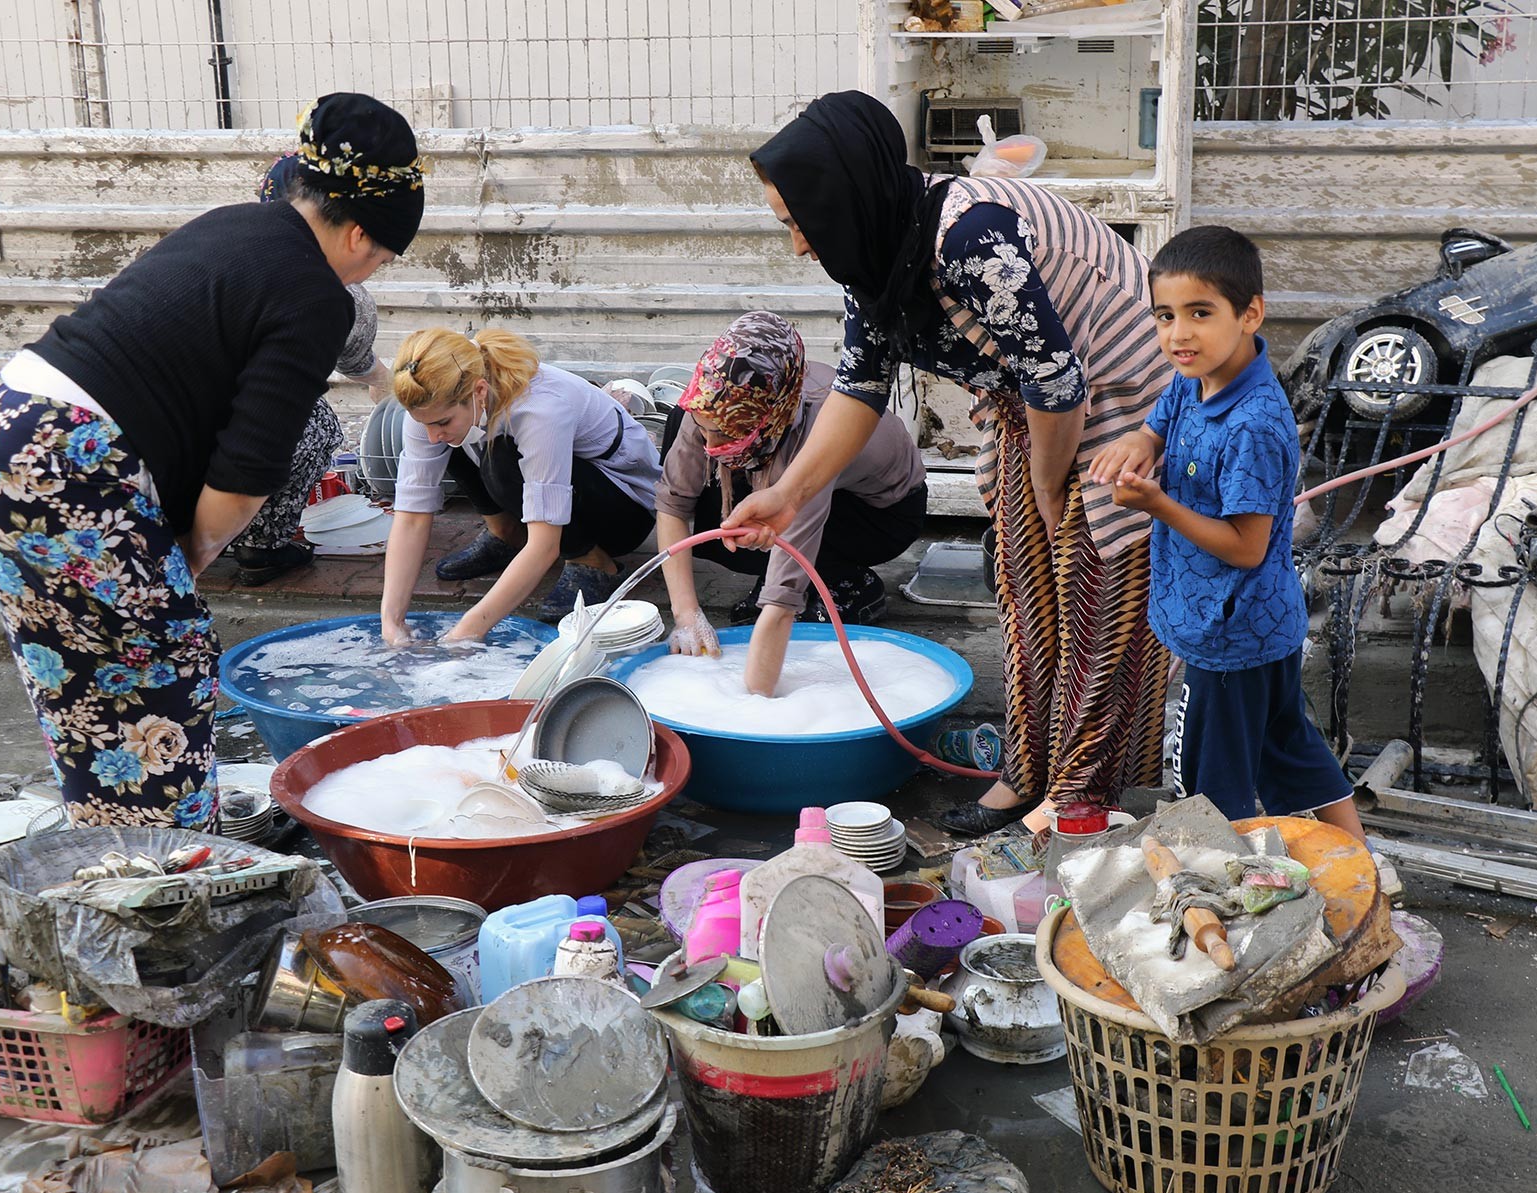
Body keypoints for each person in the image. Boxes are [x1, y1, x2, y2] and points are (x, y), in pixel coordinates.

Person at [0, 92, 423, 829]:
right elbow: (246, 468)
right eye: (386, 259)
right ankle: (165, 884)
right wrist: (190, 558)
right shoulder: (315, 292)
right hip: (64, 456)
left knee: (81, 675)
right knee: (164, 666)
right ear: (361, 235)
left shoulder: (236, 224)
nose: (374, 274)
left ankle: (103, 862)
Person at [722, 91, 1173, 835]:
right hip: (1038, 406)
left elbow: (1061, 381)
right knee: (1027, 594)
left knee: (1099, 601)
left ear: (845, 197)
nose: (800, 244)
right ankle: (1027, 771)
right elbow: (859, 389)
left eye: (802, 224)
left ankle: (1082, 795)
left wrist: (1053, 489)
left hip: (1126, 398)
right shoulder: (875, 252)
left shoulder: (971, 238)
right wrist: (789, 493)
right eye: (789, 227)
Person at [1102, 225, 1365, 840]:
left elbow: (1246, 548)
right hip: (1262, 625)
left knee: (1210, 786)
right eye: (1164, 316)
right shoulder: (1197, 379)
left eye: (1200, 313)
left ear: (1250, 314)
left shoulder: (1252, 425)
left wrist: (1158, 505)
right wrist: (1139, 441)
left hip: (1231, 632)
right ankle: (1363, 858)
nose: (1179, 334)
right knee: (1288, 747)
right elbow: (1161, 419)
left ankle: (1231, 893)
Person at [655, 311, 928, 695]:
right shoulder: (712, 401)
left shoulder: (816, 434)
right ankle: (776, 576)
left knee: (784, 568)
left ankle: (846, 584)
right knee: (708, 514)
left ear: (767, 417)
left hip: (879, 514)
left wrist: (753, 703)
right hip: (786, 477)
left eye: (724, 434)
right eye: (705, 432)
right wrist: (687, 615)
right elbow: (673, 504)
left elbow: (781, 605)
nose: (711, 448)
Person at [379, 327, 660, 644]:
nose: (431, 434)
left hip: (624, 509)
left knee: (502, 457)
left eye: (441, 420)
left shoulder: (540, 409)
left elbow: (544, 545)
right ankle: (506, 535)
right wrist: (391, 621)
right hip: (559, 486)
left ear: (480, 391)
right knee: (450, 440)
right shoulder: (434, 404)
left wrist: (466, 632)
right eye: (424, 423)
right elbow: (412, 515)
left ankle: (592, 562)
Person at [229, 152, 399, 587]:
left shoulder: (223, 246)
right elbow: (352, 357)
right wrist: (383, 381)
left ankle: (194, 539)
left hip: (125, 416)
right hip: (199, 418)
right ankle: (261, 545)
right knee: (315, 423)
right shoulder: (336, 290)